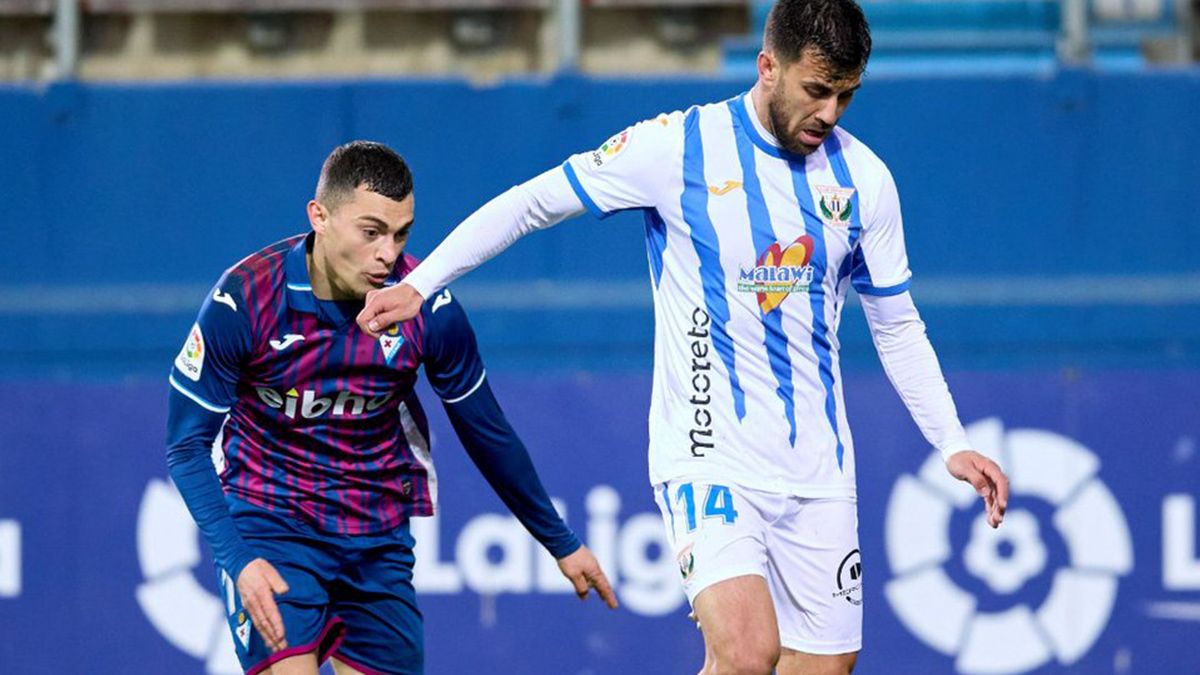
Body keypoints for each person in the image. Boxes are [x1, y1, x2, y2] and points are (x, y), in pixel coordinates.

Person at [356, 2, 1010, 674]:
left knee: (825, 666)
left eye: (847, 95)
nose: (831, 112)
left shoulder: (864, 182)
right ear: (767, 67)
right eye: (817, 90)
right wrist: (422, 282)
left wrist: (952, 441)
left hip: (819, 469)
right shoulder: (677, 147)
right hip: (707, 452)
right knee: (749, 653)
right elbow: (532, 202)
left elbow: (895, 323)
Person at [165, 140, 616, 675]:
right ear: (320, 217)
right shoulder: (245, 301)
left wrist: (559, 541)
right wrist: (236, 558)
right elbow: (186, 444)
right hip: (272, 526)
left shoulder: (426, 306)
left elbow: (486, 432)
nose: (388, 254)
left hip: (376, 535)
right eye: (371, 232)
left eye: (401, 234)